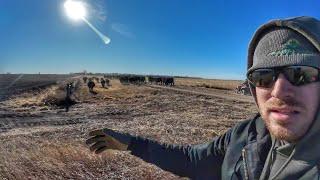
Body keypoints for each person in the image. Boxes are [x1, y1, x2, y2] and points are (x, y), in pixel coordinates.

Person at [86, 16, 320, 179]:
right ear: (252, 87)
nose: (279, 90)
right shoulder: (246, 135)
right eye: (263, 76)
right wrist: (133, 145)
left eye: (300, 74)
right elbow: (192, 160)